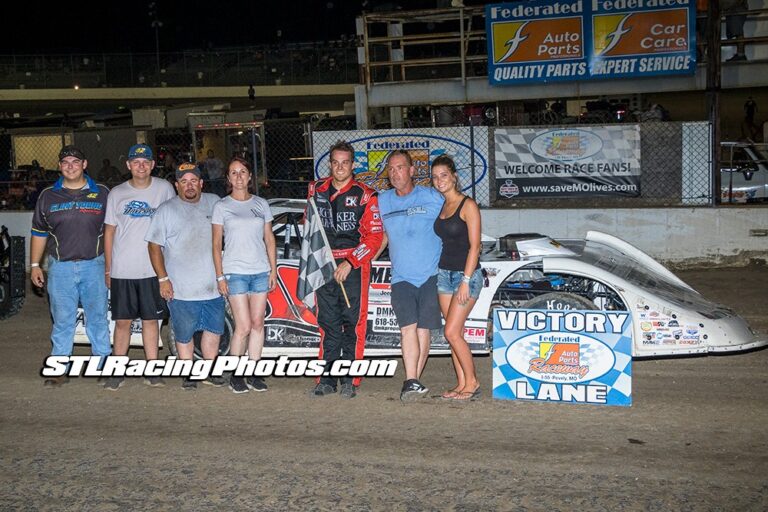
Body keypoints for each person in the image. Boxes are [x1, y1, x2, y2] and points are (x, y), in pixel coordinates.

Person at [306, 140, 383, 399]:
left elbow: (374, 237)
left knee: (353, 324)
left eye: (345, 162)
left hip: (354, 267)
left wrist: (350, 263)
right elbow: (310, 227)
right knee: (327, 324)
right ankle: (325, 379)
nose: (339, 167)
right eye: (335, 162)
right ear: (330, 164)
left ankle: (350, 379)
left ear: (353, 164)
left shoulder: (366, 194)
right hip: (323, 266)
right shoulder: (315, 190)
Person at [29, 145, 111, 387]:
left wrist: (111, 266)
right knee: (62, 319)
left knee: (97, 318)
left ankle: (102, 365)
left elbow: (112, 232)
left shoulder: (104, 193)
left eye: (76, 161)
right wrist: (35, 264)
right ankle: (58, 368)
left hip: (94, 265)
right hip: (60, 268)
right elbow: (38, 232)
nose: (71, 166)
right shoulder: (47, 196)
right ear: (59, 166)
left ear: (85, 165)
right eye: (66, 162)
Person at [145, 162, 227, 390]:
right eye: (184, 181)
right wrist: (163, 279)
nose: (189, 185)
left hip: (213, 285)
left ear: (201, 183)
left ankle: (210, 371)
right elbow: (153, 247)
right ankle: (188, 374)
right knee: (184, 333)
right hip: (181, 287)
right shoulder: (166, 210)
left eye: (193, 181)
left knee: (214, 330)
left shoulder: (215, 203)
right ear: (176, 185)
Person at [102, 144, 176, 391]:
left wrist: (168, 270)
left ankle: (152, 370)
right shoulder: (117, 193)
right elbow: (109, 231)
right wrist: (109, 268)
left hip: (153, 270)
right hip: (123, 268)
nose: (141, 165)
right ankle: (117, 369)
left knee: (151, 321)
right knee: (122, 322)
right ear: (128, 165)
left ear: (153, 164)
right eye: (136, 161)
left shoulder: (165, 189)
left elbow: (173, 224)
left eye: (146, 161)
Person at [377, 150, 444, 401]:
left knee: (423, 330)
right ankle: (411, 380)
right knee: (408, 328)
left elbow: (456, 215)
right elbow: (380, 236)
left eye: (400, 168)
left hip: (430, 275)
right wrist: (360, 261)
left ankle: (414, 379)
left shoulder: (431, 197)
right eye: (391, 169)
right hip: (401, 277)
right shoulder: (382, 201)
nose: (395, 173)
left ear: (412, 170)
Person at [212, 157, 277, 394]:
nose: (238, 176)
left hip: (260, 271)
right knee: (244, 326)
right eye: (233, 173)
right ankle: (236, 374)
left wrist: (273, 269)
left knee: (258, 323)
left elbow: (269, 239)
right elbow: (216, 243)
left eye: (242, 172)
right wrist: (220, 276)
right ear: (228, 178)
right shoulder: (222, 206)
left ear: (250, 176)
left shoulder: (261, 204)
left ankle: (253, 372)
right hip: (235, 272)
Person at [431, 155, 482, 400]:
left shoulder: (468, 205)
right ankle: (461, 383)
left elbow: (475, 247)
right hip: (444, 275)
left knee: (451, 332)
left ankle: (472, 382)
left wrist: (465, 280)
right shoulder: (442, 205)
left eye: (443, 175)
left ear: (454, 176)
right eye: (435, 177)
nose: (439, 180)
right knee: (455, 333)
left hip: (466, 277)